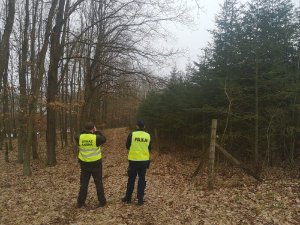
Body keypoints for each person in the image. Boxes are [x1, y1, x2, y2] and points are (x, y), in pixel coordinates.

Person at [75, 122, 107, 208]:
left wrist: (85, 131)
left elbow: (78, 135)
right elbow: (104, 138)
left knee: (84, 184)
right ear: (93, 128)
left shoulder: (79, 137)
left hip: (84, 164)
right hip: (96, 163)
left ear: (84, 129)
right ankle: (102, 201)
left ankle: (80, 202)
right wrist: (96, 131)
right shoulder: (96, 138)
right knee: (98, 183)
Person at [122, 120, 151, 205]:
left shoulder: (132, 134)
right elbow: (149, 148)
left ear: (137, 126)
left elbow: (127, 146)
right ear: (144, 126)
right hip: (144, 161)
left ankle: (128, 198)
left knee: (131, 179)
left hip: (134, 161)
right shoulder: (148, 135)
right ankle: (140, 200)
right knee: (142, 180)